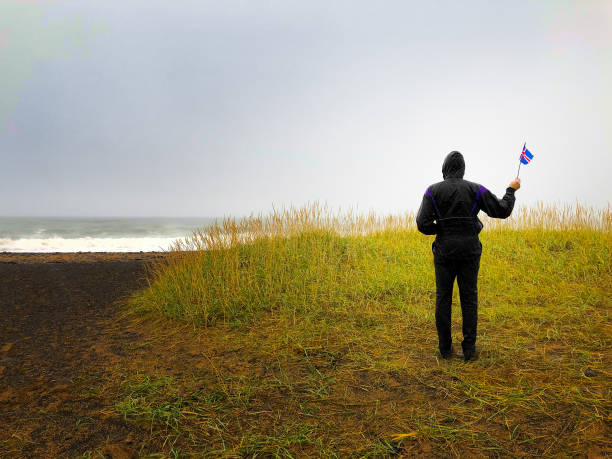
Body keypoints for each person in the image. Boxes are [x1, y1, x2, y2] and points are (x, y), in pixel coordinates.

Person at [416, 151, 520, 361]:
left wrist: (443, 228)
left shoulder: (432, 191)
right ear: (463, 169)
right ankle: (469, 351)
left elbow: (422, 224)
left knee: (443, 298)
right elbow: (502, 210)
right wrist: (511, 189)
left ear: (444, 169)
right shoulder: (475, 189)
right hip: (470, 250)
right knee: (469, 298)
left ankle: (445, 350)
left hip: (444, 250)